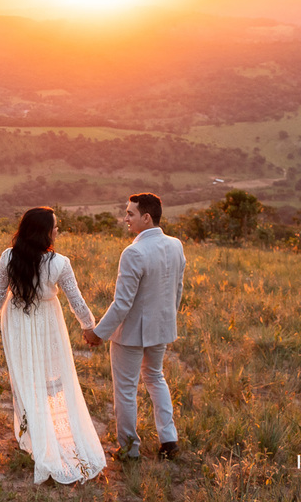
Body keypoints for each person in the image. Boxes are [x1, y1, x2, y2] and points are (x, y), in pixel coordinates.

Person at [0, 207, 106, 484]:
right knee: (53, 380)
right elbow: (76, 300)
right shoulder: (59, 262)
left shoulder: (9, 257)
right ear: (45, 231)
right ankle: (44, 437)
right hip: (48, 322)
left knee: (26, 379)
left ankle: (37, 438)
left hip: (16, 321)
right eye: (56, 226)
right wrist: (90, 327)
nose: (58, 230)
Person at [84, 192, 186, 461]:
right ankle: (169, 440)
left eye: (130, 213)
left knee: (126, 390)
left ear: (146, 217)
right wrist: (166, 319)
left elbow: (122, 304)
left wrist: (97, 334)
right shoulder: (176, 245)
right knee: (156, 378)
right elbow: (178, 289)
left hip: (130, 334)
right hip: (161, 329)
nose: (125, 218)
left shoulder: (134, 252)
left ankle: (129, 449)